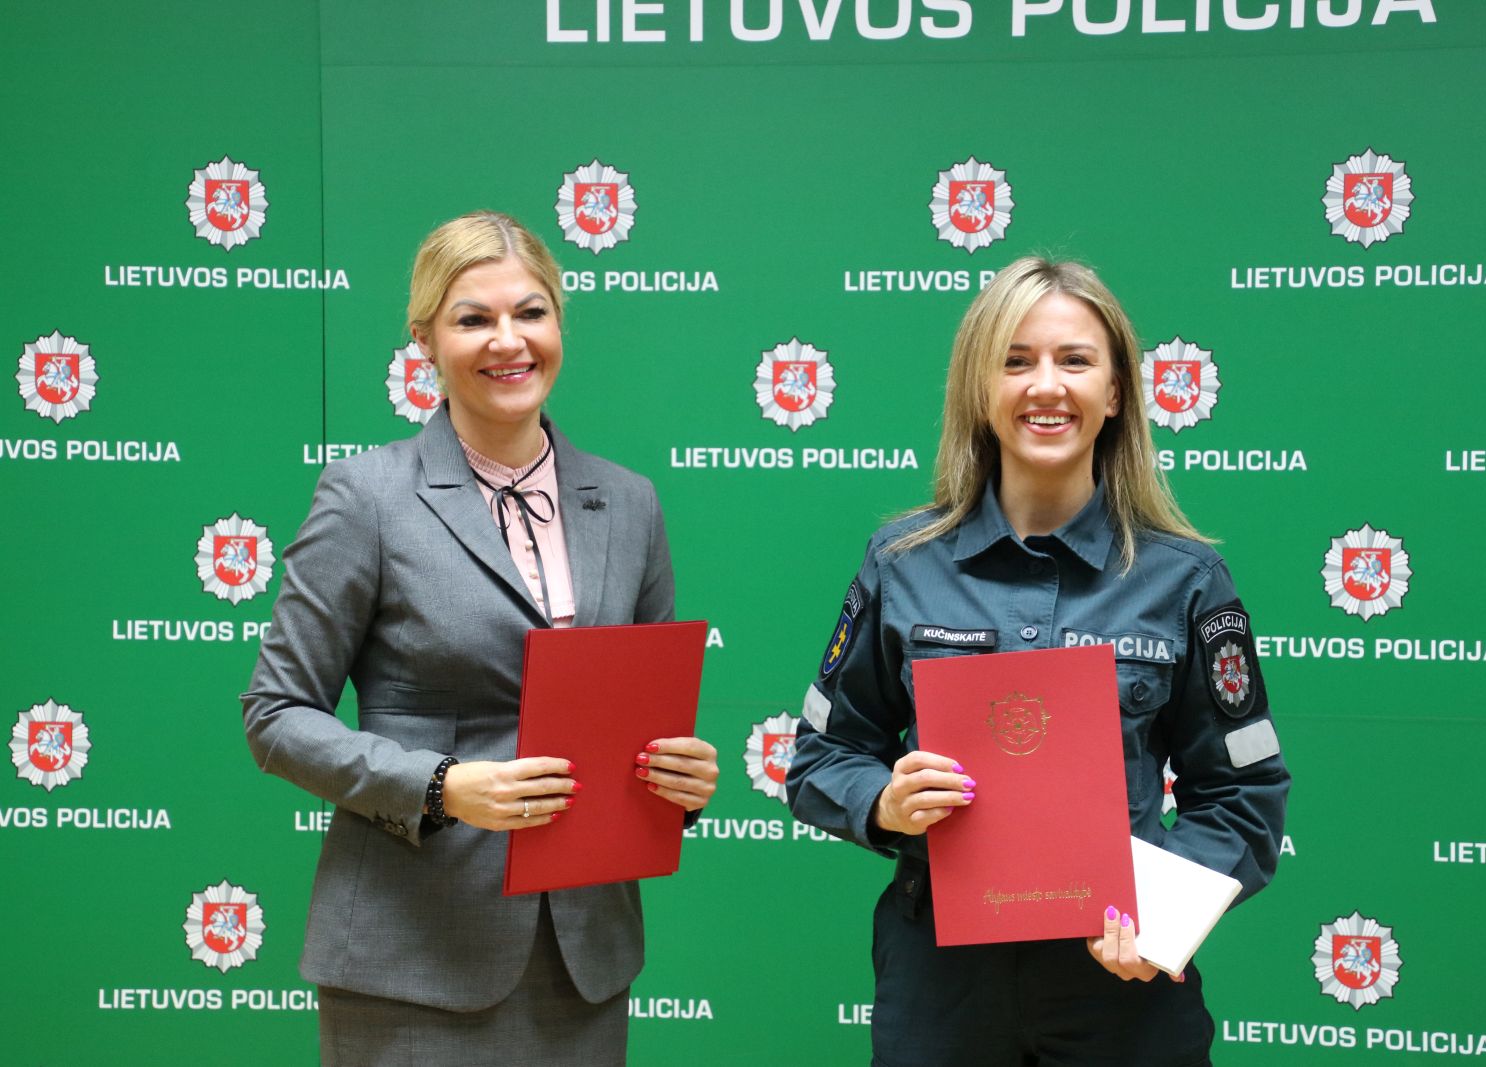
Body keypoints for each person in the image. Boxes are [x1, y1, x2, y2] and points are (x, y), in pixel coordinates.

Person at [241, 210, 719, 1066]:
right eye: (474, 318)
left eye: (531, 312)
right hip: (410, 956)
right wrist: (441, 785)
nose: (509, 340)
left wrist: (678, 777)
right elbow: (275, 715)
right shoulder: (366, 496)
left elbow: (638, 716)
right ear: (424, 338)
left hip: (582, 964)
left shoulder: (631, 502)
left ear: (560, 322)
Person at [786, 257, 1289, 1066]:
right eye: (1016, 360)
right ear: (980, 388)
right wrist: (885, 801)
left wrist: (1165, 915)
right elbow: (821, 758)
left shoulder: (1188, 579)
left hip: (1121, 986)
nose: (1045, 386)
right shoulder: (900, 563)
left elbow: (1243, 793)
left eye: (1075, 360)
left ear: (1115, 392)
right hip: (941, 983)